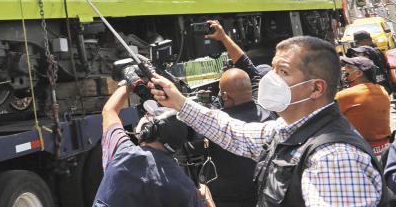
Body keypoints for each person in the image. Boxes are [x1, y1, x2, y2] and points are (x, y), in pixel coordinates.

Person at [148, 36, 383, 206]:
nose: (271, 79)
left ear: (315, 88)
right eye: (272, 69)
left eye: (283, 71)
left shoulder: (334, 159)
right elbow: (234, 132)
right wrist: (179, 102)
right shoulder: (288, 130)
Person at [94, 85, 207, 207]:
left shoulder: (121, 153)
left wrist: (129, 85)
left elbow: (109, 111)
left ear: (147, 131)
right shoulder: (185, 186)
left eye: (147, 117)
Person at [207, 68, 273, 207]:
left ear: (224, 96)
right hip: (263, 196)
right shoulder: (269, 114)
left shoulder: (217, 124)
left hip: (227, 201)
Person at [337, 55, 392, 154]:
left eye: (348, 67)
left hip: (361, 149)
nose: (344, 69)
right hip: (385, 147)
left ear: (358, 73)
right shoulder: (381, 89)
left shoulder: (348, 94)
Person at [205, 20, 263, 98]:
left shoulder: (216, 109)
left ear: (224, 95)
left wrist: (223, 37)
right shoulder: (261, 107)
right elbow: (251, 73)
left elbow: (250, 72)